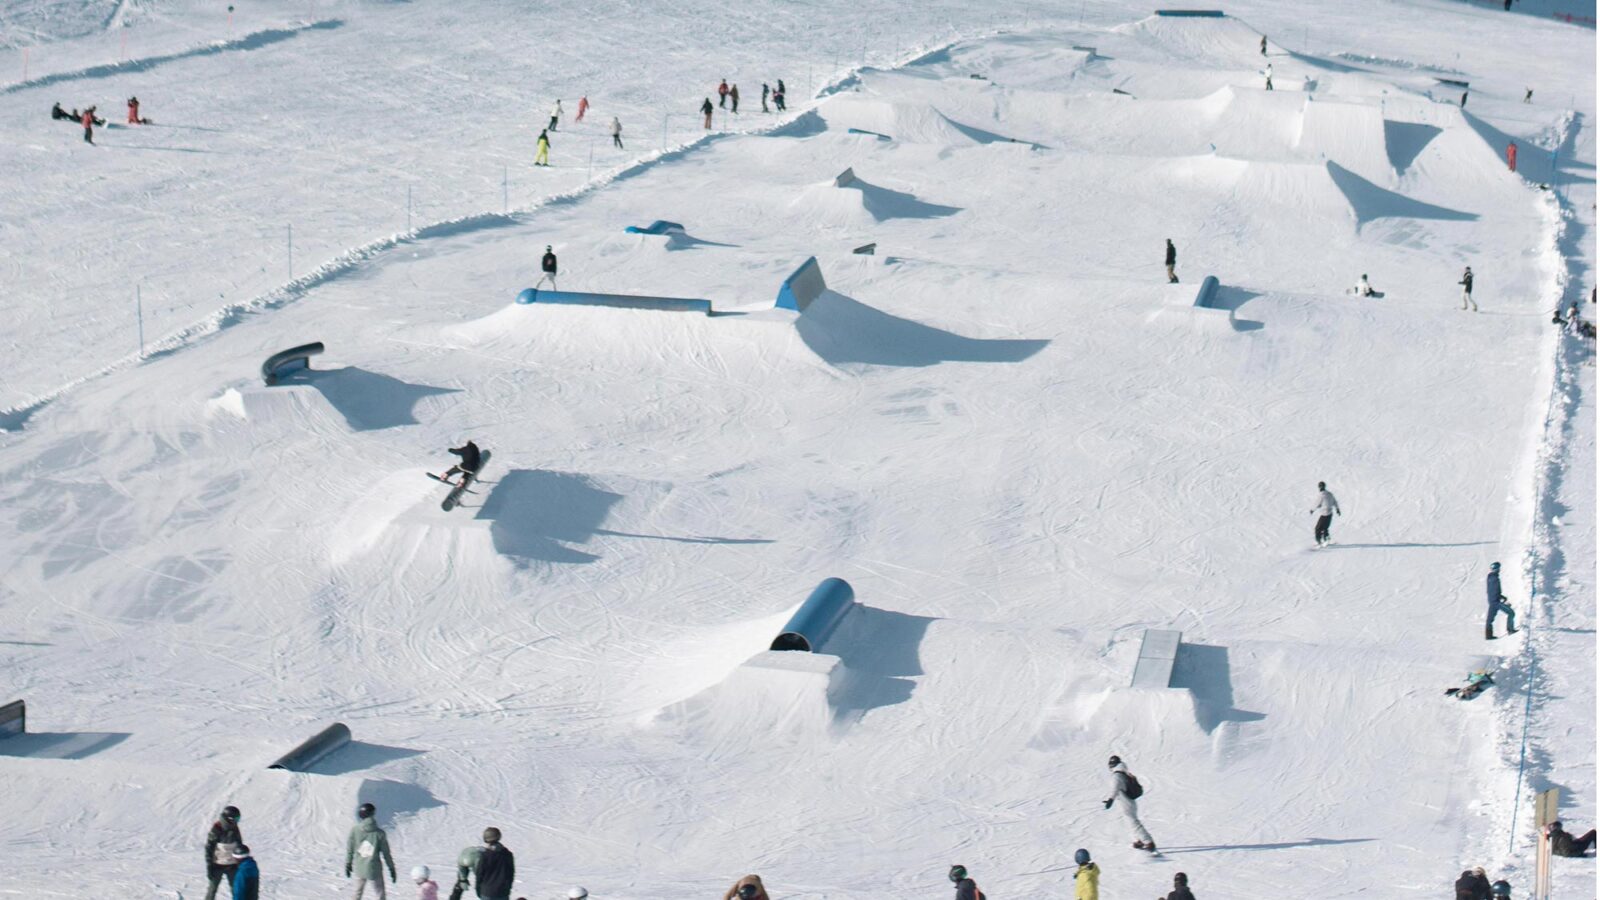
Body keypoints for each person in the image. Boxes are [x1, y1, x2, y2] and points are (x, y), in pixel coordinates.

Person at [1103, 755, 1155, 851]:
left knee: (1133, 822)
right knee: (1130, 822)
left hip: (1125, 803)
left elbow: (1115, 788)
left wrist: (1110, 799)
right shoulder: (1124, 773)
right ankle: (1139, 840)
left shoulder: (1116, 776)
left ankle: (1148, 842)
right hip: (1130, 802)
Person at [346, 802, 398, 900]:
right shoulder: (380, 833)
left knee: (357, 894)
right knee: (380, 895)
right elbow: (386, 854)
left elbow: (350, 849)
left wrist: (348, 863)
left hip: (360, 868)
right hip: (374, 869)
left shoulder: (355, 830)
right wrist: (392, 868)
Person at [206, 806, 244, 900]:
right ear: (229, 818)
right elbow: (209, 848)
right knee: (212, 889)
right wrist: (210, 865)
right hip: (218, 865)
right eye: (236, 818)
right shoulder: (217, 828)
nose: (237, 821)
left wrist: (240, 862)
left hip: (232, 865)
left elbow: (239, 845)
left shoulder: (235, 828)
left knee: (236, 889)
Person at [474, 829, 515, 900]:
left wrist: (478, 889)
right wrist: (508, 888)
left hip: (487, 892)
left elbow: (479, 874)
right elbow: (511, 873)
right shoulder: (508, 854)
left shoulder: (485, 856)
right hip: (503, 892)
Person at [1486, 562, 1517, 639]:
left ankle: (1488, 635)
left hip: (1492, 601)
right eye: (1498, 568)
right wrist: (1499, 598)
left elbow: (1492, 590)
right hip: (1496, 602)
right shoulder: (1494, 578)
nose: (1499, 570)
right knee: (1511, 613)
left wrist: (1501, 596)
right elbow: (1495, 590)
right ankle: (1510, 630)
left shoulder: (1490, 578)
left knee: (1490, 619)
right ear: (1496, 569)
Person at [1310, 481, 1341, 547]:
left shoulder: (1321, 495)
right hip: (1330, 514)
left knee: (1318, 528)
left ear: (1320, 487)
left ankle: (1319, 542)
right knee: (1325, 528)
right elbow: (1335, 502)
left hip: (1324, 514)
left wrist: (1312, 510)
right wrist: (1337, 509)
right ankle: (1326, 539)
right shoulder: (1330, 494)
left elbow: (1317, 503)